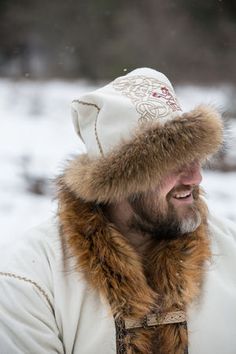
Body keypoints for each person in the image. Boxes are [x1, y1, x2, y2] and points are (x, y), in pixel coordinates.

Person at [0, 68, 235, 354]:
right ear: (121, 182)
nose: (196, 178)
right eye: (173, 162)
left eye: (195, 157)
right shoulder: (28, 280)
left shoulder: (231, 252)